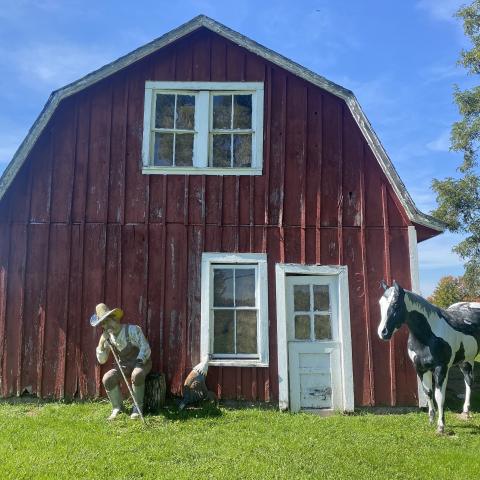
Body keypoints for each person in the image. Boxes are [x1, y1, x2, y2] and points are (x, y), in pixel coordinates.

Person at [90, 303, 152, 420]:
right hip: (124, 365)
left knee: (137, 374)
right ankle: (118, 407)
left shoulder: (132, 330)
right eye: (103, 324)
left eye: (108, 321)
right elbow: (102, 360)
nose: (107, 325)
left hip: (142, 362)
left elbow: (145, 348)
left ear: (115, 318)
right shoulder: (108, 338)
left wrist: (139, 362)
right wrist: (101, 343)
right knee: (107, 378)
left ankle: (137, 408)